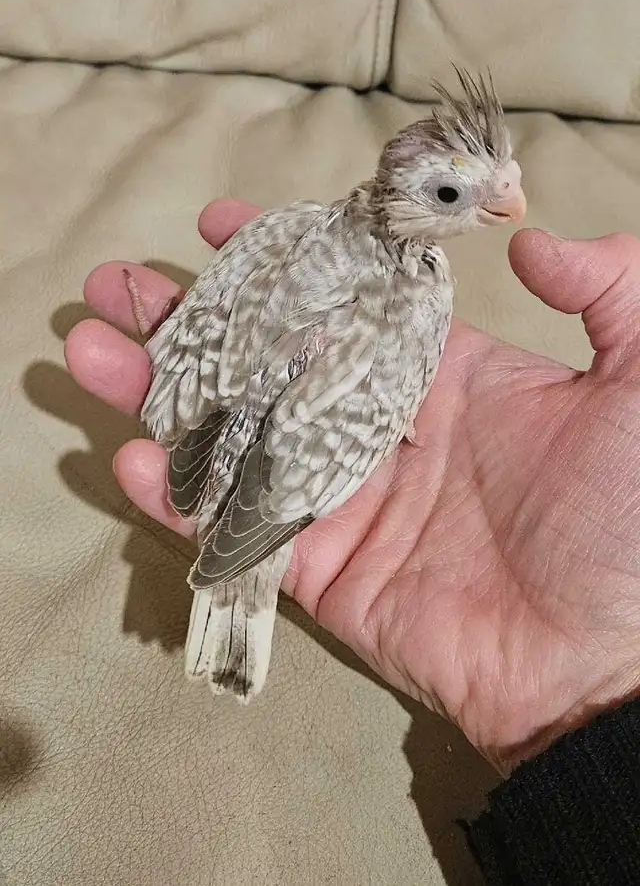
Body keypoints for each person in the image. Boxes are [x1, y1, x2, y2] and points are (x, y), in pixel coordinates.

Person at [65, 199, 640, 885]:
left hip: (288, 479)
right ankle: (239, 579)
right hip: (270, 464)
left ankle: (239, 578)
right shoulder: (309, 241)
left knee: (251, 514)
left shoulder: (403, 285)